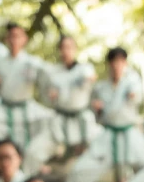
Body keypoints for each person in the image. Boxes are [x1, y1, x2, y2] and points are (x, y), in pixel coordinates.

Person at [64, 47, 144, 182]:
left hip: (130, 136)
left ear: (125, 63)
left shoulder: (133, 82)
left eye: (121, 62)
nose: (117, 66)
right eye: (114, 62)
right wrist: (98, 109)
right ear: (109, 64)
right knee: (77, 172)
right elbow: (96, 116)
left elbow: (136, 96)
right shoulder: (101, 88)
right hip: (107, 137)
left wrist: (130, 93)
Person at [0, 24, 50, 168]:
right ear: (6, 39)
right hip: (4, 109)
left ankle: (37, 166)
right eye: (11, 36)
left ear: (25, 39)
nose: (14, 40)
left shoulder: (32, 62)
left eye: (18, 36)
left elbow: (49, 78)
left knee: (50, 122)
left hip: (27, 107)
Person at [39, 35, 99, 166]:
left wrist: (89, 79)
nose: (66, 51)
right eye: (63, 48)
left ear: (75, 49)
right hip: (61, 118)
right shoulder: (54, 72)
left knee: (96, 146)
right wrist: (52, 95)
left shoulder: (84, 68)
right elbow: (49, 94)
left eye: (69, 47)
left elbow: (91, 77)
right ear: (59, 50)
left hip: (81, 118)